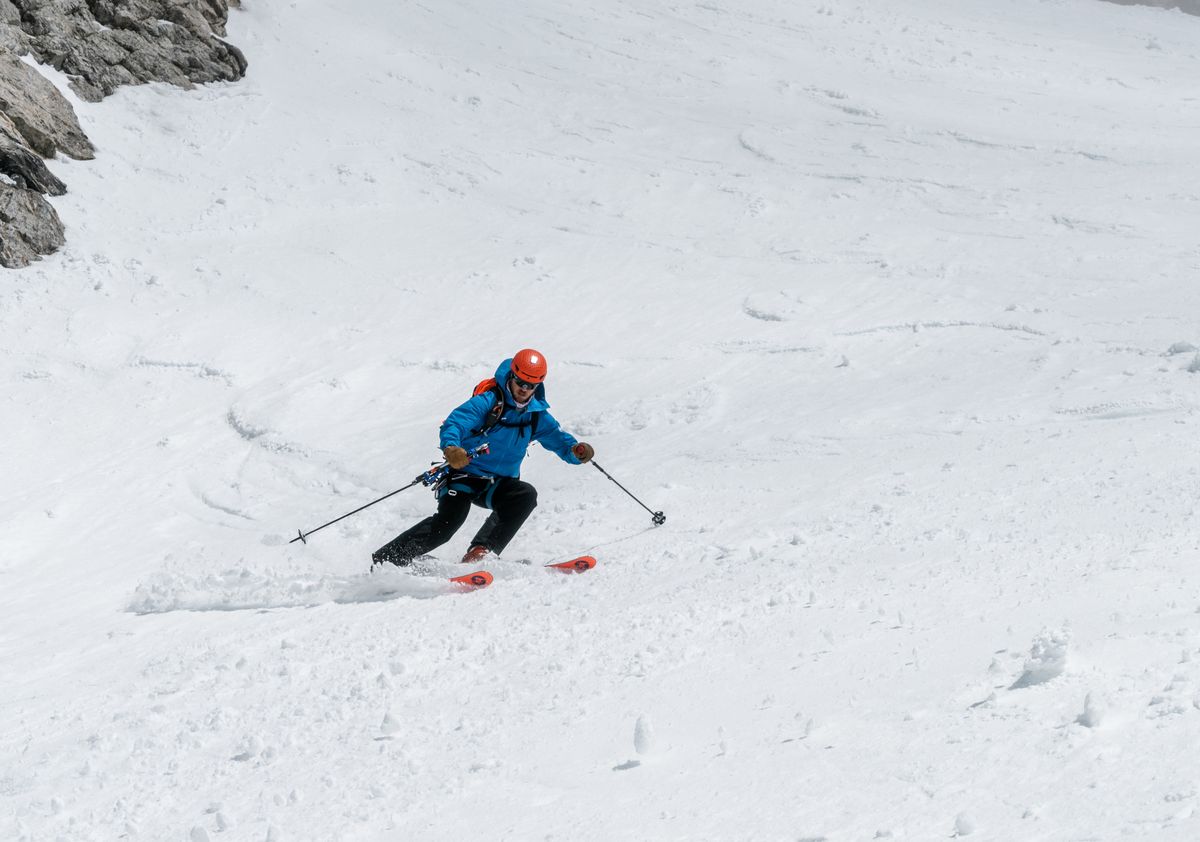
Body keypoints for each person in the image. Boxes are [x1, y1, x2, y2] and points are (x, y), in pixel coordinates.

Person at [371, 348, 594, 568]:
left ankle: (479, 552)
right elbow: (455, 423)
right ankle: (386, 561)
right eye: (520, 382)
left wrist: (575, 452)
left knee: (525, 495)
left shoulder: (537, 416)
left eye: (531, 386)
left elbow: (558, 439)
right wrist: (451, 449)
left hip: (498, 484)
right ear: (512, 377)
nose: (524, 389)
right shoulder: (488, 402)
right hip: (463, 475)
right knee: (448, 523)